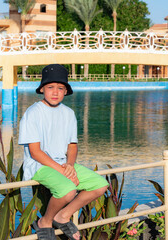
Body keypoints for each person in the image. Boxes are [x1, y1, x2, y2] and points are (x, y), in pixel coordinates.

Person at [18, 64, 108, 240]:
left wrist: (70, 166)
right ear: (42, 89)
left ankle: (63, 216)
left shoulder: (68, 113)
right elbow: (35, 152)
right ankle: (45, 221)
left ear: (66, 91)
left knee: (100, 185)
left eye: (60, 88)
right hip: (39, 165)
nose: (55, 92)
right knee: (68, 190)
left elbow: (72, 146)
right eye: (50, 87)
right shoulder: (33, 113)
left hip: (63, 164)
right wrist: (64, 172)